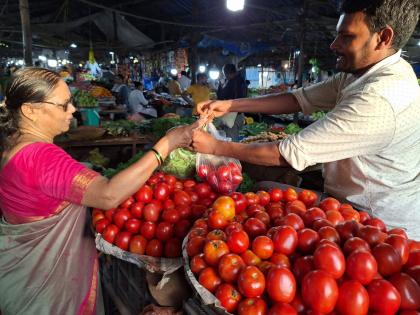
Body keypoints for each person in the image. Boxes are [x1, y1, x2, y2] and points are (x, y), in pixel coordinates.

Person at [192, 0, 420, 239]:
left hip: (377, 225)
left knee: (264, 190)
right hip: (348, 200)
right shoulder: (363, 72)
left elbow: (287, 153)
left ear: (383, 38)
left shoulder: (380, 97)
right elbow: (298, 99)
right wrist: (230, 105)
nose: (334, 45)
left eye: (347, 37)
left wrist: (216, 147)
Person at [0, 67, 195, 314]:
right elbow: (108, 195)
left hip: (21, 278)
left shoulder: (14, 146)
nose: (72, 110)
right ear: (30, 110)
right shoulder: (40, 156)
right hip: (48, 291)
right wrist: (166, 146)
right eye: (64, 104)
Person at [216, 64, 247, 140]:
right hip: (235, 113)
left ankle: (233, 151)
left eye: (225, 74)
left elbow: (222, 96)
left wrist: (221, 85)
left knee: (231, 137)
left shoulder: (237, 82)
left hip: (234, 115)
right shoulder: (234, 80)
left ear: (228, 73)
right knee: (230, 136)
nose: (225, 76)